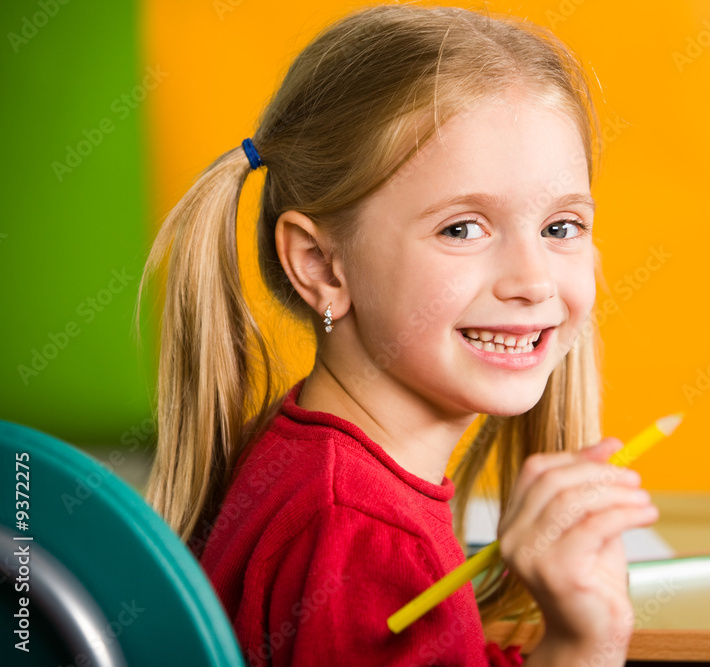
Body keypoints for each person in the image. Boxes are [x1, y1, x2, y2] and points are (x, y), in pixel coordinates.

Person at [137, 3, 659, 666]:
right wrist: (585, 644)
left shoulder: (319, 465)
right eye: (463, 228)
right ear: (321, 265)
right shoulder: (361, 535)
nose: (533, 280)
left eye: (560, 228)